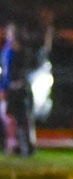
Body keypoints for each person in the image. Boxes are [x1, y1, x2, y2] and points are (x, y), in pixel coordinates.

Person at [0, 22, 35, 156]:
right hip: (10, 87)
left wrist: (18, 83)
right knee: (10, 116)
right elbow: (6, 71)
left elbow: (20, 69)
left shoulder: (20, 50)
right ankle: (14, 145)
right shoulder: (7, 50)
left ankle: (25, 147)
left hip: (18, 88)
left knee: (20, 117)